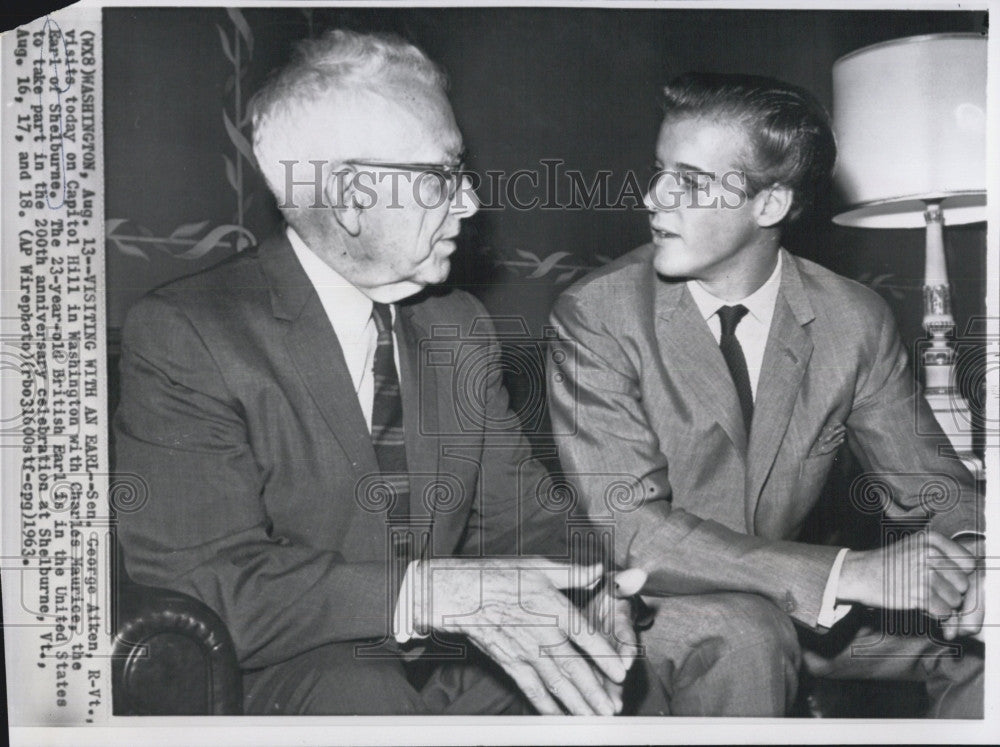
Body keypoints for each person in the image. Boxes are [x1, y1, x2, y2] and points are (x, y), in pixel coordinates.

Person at [114, 29, 635, 716]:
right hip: (295, 682)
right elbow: (206, 582)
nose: (472, 203)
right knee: (359, 688)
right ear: (355, 196)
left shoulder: (459, 324)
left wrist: (590, 588)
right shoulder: (190, 335)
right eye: (445, 175)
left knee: (606, 678)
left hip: (446, 673)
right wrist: (428, 594)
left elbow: (522, 512)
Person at [547, 72, 984, 717]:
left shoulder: (852, 320)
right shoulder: (596, 314)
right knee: (748, 634)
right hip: (652, 607)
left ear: (770, 205)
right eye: (660, 170)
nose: (654, 197)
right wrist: (846, 573)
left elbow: (937, 489)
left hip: (809, 614)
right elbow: (634, 532)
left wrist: (973, 559)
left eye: (689, 182)